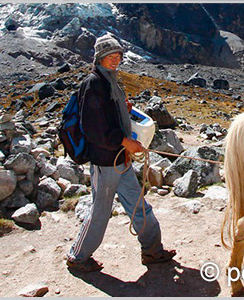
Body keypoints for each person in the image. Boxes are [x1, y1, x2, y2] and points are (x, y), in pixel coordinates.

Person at [65, 33, 176, 272]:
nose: (115, 60)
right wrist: (125, 141)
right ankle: (77, 257)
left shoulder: (109, 81)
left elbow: (106, 115)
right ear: (99, 58)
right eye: (110, 56)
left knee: (139, 206)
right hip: (105, 161)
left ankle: (152, 250)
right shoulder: (94, 83)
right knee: (100, 212)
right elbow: (94, 128)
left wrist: (122, 110)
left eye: (117, 56)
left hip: (120, 160)